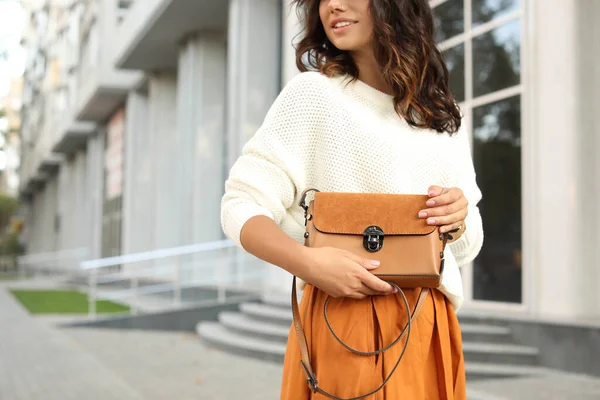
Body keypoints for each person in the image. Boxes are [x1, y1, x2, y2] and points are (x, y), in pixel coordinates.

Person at [220, 0, 484, 398]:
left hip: (431, 324)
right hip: (345, 317)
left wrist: (457, 216)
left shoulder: (443, 116)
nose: (333, 5)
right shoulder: (314, 96)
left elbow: (466, 246)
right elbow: (240, 204)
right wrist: (308, 263)